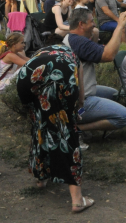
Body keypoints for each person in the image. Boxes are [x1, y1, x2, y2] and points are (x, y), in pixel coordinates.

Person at [17, 42, 94, 213]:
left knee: (40, 125)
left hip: (25, 77)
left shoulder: (41, 53)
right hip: (62, 75)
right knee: (66, 132)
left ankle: (41, 178)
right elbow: (80, 90)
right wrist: (78, 108)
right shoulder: (73, 57)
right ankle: (77, 200)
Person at [62, 8, 126, 140]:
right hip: (82, 99)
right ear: (81, 24)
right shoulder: (79, 42)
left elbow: (102, 50)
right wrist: (120, 26)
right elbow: (108, 55)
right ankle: (77, 129)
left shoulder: (73, 39)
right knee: (124, 116)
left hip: (79, 91)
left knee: (114, 94)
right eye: (91, 21)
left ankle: (82, 122)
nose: (94, 24)